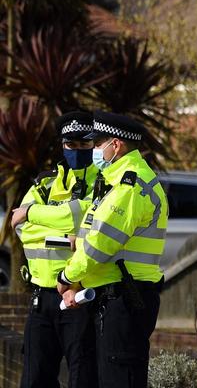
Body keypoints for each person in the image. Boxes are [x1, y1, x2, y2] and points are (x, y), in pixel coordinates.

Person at [58, 111, 168, 388]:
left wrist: (67, 277)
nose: (95, 150)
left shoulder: (130, 187)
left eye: (97, 144)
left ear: (115, 145)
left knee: (120, 380)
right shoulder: (116, 184)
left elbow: (100, 244)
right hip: (114, 296)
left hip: (125, 297)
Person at [9, 110, 100, 388]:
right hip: (42, 298)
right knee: (34, 379)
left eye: (85, 144)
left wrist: (33, 212)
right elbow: (20, 228)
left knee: (82, 378)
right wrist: (69, 235)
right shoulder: (44, 183)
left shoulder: (103, 183)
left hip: (79, 295)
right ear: (62, 145)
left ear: (94, 144)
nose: (78, 150)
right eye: (71, 145)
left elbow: (82, 215)